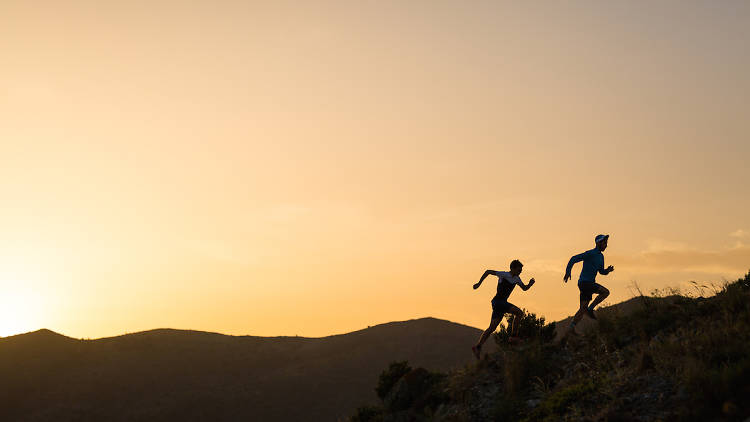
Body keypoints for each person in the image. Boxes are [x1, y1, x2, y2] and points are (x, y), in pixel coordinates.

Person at [471, 259, 535, 359]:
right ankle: (513, 337)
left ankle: (478, 346)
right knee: (519, 313)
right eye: (519, 270)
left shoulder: (517, 279)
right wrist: (479, 283)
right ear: (512, 268)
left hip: (500, 304)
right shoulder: (503, 274)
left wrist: (530, 284)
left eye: (521, 270)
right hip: (498, 302)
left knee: (492, 328)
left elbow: (524, 288)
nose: (520, 272)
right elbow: (488, 271)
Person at [564, 234, 614, 334]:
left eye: (606, 243)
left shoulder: (601, 257)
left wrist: (607, 270)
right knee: (605, 292)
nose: (606, 245)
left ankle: (571, 328)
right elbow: (574, 258)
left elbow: (601, 271)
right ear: (598, 243)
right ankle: (590, 309)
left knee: (582, 309)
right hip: (585, 283)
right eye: (604, 243)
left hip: (586, 284)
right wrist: (568, 271)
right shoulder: (590, 253)